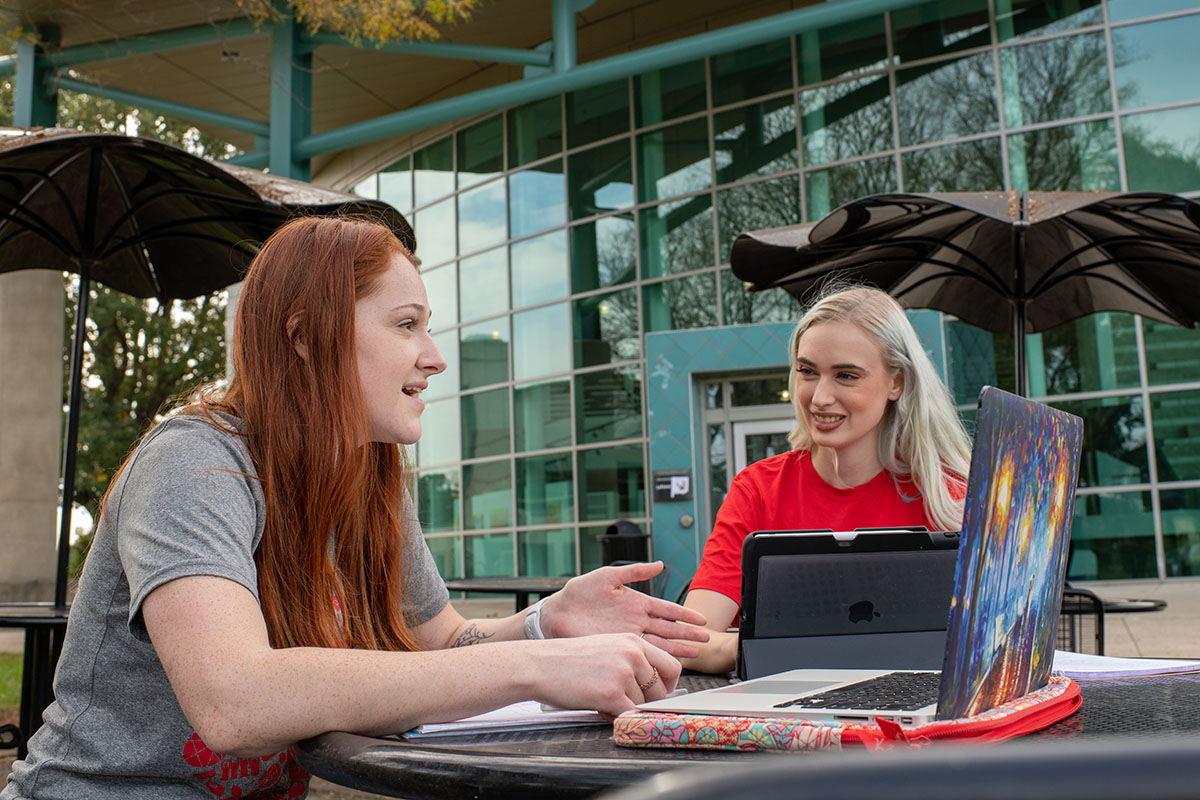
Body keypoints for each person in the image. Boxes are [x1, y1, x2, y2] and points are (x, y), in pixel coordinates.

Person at [1, 216, 708, 799]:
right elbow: (233, 701)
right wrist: (534, 669)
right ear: (305, 337)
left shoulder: (367, 474)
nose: (434, 356)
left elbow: (438, 643)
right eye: (406, 324)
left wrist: (544, 624)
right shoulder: (196, 461)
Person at [679, 286, 971, 675]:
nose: (819, 398)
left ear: (896, 382)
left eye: (846, 375)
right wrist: (773, 648)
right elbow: (687, 641)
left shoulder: (950, 496)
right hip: (787, 717)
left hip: (919, 718)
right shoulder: (759, 489)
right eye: (807, 372)